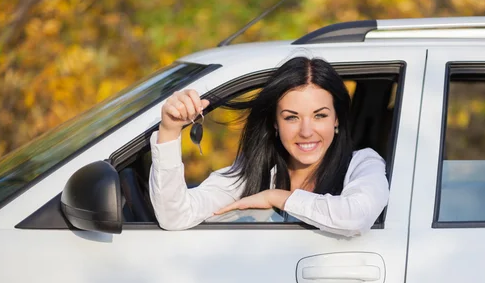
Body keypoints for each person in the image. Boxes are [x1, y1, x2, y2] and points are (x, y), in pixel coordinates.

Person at [149, 56, 389, 237]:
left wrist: (276, 198)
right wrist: (170, 130)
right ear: (275, 123)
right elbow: (175, 216)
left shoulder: (363, 163)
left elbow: (356, 217)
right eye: (291, 117)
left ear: (336, 119)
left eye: (320, 116)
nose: (306, 131)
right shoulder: (255, 170)